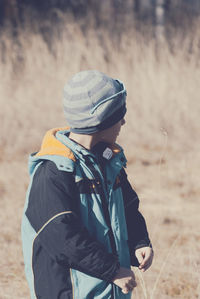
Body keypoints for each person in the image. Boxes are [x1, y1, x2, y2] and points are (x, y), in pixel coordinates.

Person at [21, 70, 154, 299]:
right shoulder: (52, 173)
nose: (123, 121)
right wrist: (112, 271)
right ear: (100, 121)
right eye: (118, 115)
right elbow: (62, 237)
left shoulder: (109, 162)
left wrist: (139, 242)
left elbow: (128, 207)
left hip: (109, 291)